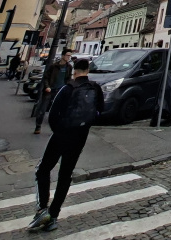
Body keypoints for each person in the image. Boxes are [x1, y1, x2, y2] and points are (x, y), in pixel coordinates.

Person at [28, 58, 104, 232]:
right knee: (65, 175)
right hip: (80, 137)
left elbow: (53, 115)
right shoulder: (95, 88)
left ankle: (42, 208)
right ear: (88, 71)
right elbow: (100, 110)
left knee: (43, 169)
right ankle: (54, 215)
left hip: (62, 135)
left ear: (74, 71)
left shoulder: (68, 88)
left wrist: (60, 130)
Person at [34, 50, 73, 134]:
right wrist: (47, 86)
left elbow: (69, 78)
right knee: (43, 109)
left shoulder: (69, 67)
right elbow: (46, 77)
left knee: (58, 111)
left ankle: (55, 128)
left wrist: (67, 87)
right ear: (63, 56)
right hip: (50, 90)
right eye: (67, 55)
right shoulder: (54, 66)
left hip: (61, 91)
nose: (69, 57)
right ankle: (38, 126)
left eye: (70, 56)